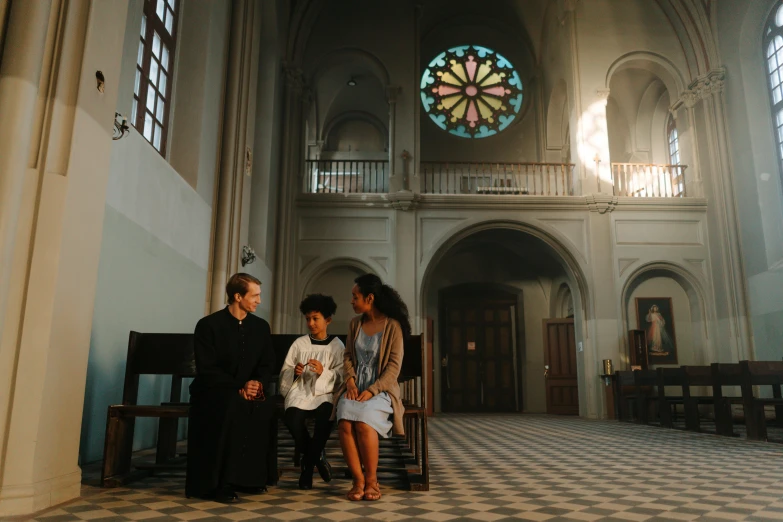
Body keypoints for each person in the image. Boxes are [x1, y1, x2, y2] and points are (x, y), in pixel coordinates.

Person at [186, 273, 275, 503]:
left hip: (250, 389)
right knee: (230, 405)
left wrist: (257, 384)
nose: (259, 301)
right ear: (237, 296)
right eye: (255, 295)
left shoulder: (261, 327)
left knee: (264, 408)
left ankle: (250, 479)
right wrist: (239, 385)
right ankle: (219, 484)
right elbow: (207, 368)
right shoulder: (208, 325)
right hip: (213, 389)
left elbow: (266, 364)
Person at [334, 273, 410, 502]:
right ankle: (358, 481)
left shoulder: (393, 326)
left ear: (370, 298)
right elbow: (347, 356)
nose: (351, 301)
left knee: (364, 421)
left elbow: (394, 368)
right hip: (355, 387)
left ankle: (372, 481)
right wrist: (350, 381)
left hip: (382, 391)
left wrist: (373, 390)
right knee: (344, 419)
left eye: (355, 296)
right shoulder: (355, 324)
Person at [279, 294, 345, 490]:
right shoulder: (299, 344)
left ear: (328, 320)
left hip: (325, 393)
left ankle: (306, 470)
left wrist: (324, 372)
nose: (310, 323)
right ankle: (318, 457)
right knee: (292, 419)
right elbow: (286, 369)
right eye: (308, 318)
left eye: (315, 318)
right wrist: (295, 372)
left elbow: (341, 374)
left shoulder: (336, 345)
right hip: (301, 391)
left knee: (326, 417)